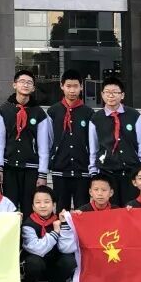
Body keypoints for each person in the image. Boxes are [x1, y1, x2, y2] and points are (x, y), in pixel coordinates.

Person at [0, 70, 50, 215]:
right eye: (22, 81)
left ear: (33, 88)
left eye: (29, 82)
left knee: (29, 208)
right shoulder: (4, 110)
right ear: (14, 85)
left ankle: (28, 231)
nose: (25, 85)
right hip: (9, 167)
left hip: (31, 168)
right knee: (9, 208)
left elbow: (43, 146)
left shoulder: (39, 113)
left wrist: (42, 173)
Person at [88, 76, 141, 207]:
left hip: (131, 173)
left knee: (131, 210)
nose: (111, 95)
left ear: (122, 95)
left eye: (115, 92)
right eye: (107, 92)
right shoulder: (96, 119)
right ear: (102, 95)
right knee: (111, 213)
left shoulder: (134, 115)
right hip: (107, 173)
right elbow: (93, 148)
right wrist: (93, 172)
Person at [45, 69, 93, 211]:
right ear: (62, 86)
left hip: (82, 170)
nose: (72, 90)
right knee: (61, 210)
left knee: (82, 211)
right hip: (60, 169)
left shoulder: (88, 113)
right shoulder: (53, 112)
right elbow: (49, 140)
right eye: (68, 86)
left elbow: (92, 142)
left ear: (81, 87)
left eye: (76, 86)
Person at [63, 173, 116, 282]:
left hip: (109, 249)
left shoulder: (117, 211)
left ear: (111, 192)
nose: (100, 193)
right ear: (90, 192)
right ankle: (85, 279)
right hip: (88, 250)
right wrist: (73, 218)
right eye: (96, 190)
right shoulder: (82, 212)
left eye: (104, 190)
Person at [20, 186, 77, 282]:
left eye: (46, 202)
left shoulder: (59, 220)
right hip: (38, 265)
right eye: (38, 202)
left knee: (69, 260)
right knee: (33, 261)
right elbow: (37, 249)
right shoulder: (28, 224)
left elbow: (67, 249)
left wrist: (64, 224)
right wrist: (55, 233)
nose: (42, 206)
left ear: (54, 205)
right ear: (33, 206)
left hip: (55, 264)